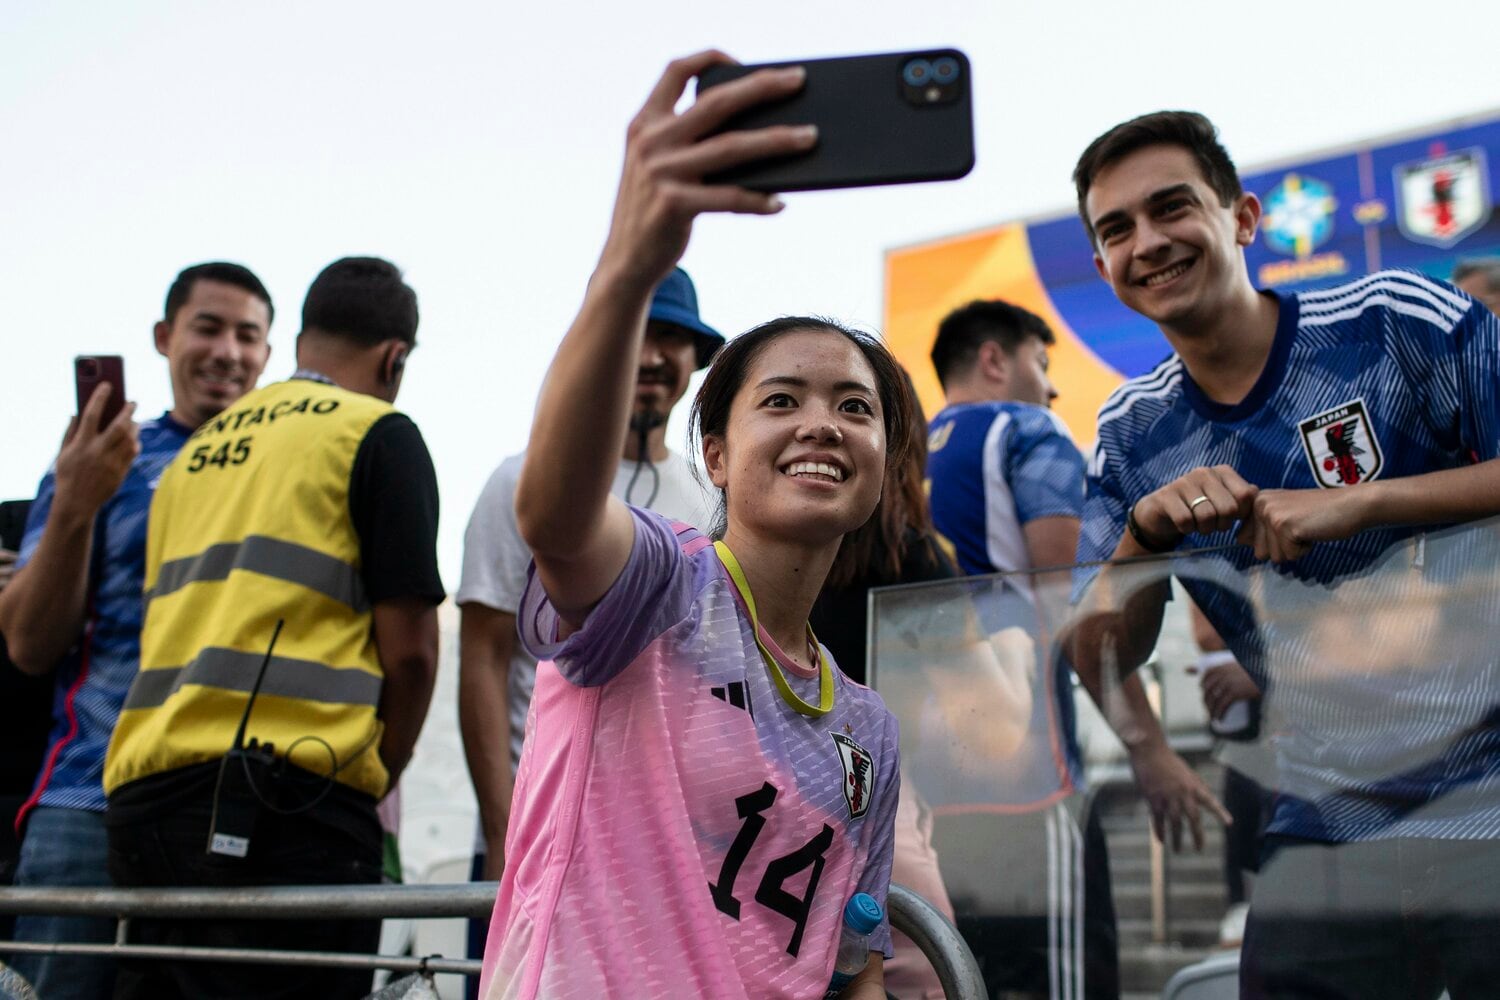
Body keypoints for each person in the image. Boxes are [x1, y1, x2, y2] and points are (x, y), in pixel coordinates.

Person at [479, 52, 901, 1000]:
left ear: (882, 463)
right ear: (713, 454)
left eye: (855, 407)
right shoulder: (662, 587)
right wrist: (632, 262)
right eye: (781, 401)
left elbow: (855, 969)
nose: (822, 425)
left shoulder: (869, 731)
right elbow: (554, 519)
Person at [1068, 110, 1500, 999]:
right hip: (1323, 821)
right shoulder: (1129, 435)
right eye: (1116, 229)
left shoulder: (1392, 320)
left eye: (1171, 207)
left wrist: (1363, 501)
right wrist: (1144, 539)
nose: (1147, 243)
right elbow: (1094, 651)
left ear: (1242, 218)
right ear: (1104, 267)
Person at [102, 257, 444, 999]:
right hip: (290, 807)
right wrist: (380, 768)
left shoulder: (192, 455)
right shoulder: (375, 432)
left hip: (146, 806)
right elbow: (414, 654)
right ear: (394, 358)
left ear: (297, 341)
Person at [0, 263, 273, 998]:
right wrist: (76, 500)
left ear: (268, 355)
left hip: (234, 805)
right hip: (90, 799)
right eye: (208, 327)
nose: (228, 352)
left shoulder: (287, 464)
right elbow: (28, 643)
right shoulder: (104, 458)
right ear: (164, 336)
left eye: (247, 335)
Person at [457, 267, 720, 996]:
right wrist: (503, 829)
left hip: (672, 848)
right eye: (638, 332)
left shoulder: (716, 499)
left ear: (693, 361)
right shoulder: (522, 481)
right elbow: (481, 657)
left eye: (673, 338)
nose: (653, 356)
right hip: (535, 831)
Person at [923, 299, 1125, 1000]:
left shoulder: (894, 454)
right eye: (1041, 363)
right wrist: (1147, 745)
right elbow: (1070, 601)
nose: (1052, 386)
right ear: (993, 359)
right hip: (1029, 765)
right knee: (1061, 980)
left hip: (925, 775)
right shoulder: (1027, 427)